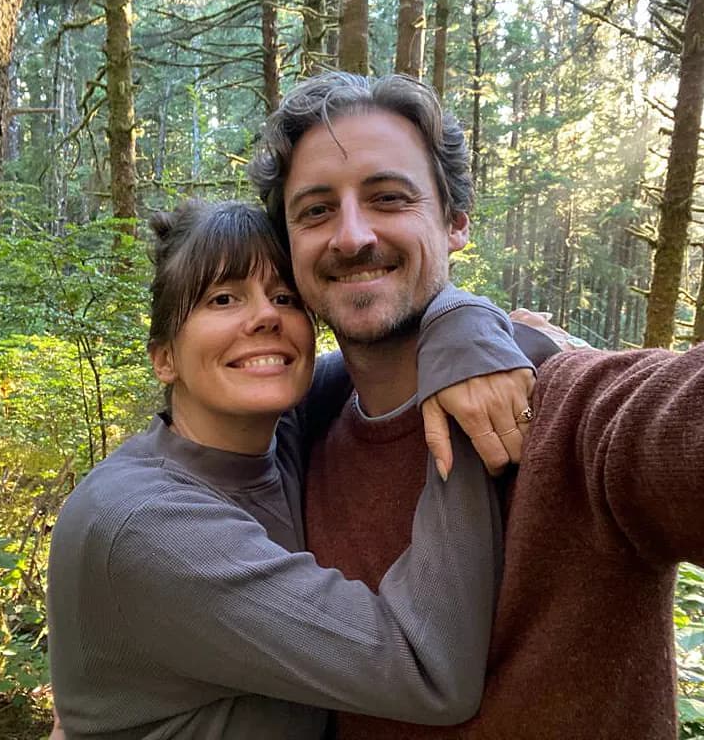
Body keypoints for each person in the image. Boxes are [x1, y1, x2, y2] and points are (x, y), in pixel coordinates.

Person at [247, 70, 704, 740]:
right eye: (315, 210)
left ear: (456, 222)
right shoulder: (292, 432)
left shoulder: (571, 412)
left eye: (388, 197)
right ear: (288, 247)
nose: (350, 236)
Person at [47, 199, 542, 739]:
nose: (265, 316)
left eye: (284, 297)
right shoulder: (146, 525)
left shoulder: (277, 430)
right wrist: (464, 423)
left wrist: (464, 319)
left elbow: (392, 356)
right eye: (223, 298)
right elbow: (425, 668)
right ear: (164, 357)